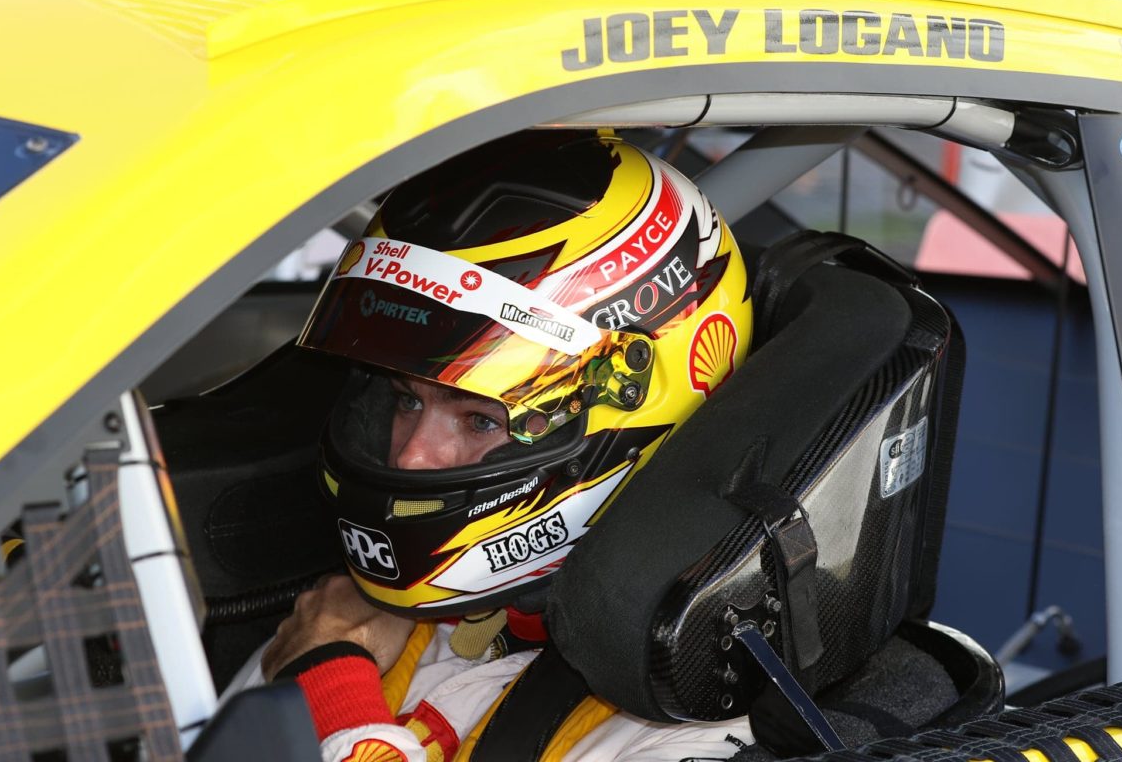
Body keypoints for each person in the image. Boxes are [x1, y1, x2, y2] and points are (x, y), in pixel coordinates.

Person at [226, 130, 757, 761]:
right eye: (404, 400)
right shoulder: (362, 619)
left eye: (479, 420)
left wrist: (332, 696)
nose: (410, 456)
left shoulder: (689, 731)